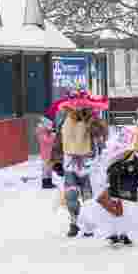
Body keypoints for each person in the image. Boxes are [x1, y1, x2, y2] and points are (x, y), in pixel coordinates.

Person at [77, 126, 138, 246]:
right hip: (117, 192)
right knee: (114, 215)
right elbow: (110, 173)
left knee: (127, 215)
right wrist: (125, 169)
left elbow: (137, 174)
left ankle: (124, 234)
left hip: (130, 192)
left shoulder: (133, 158)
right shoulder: (116, 157)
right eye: (137, 139)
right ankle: (113, 234)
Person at [56, 94, 108, 237]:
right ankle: (74, 223)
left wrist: (91, 120)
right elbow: (59, 139)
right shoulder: (64, 120)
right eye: (74, 107)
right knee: (70, 196)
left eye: (80, 107)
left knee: (87, 197)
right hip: (69, 164)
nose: (77, 109)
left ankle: (88, 225)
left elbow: (102, 133)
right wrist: (56, 161)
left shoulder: (93, 119)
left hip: (88, 164)